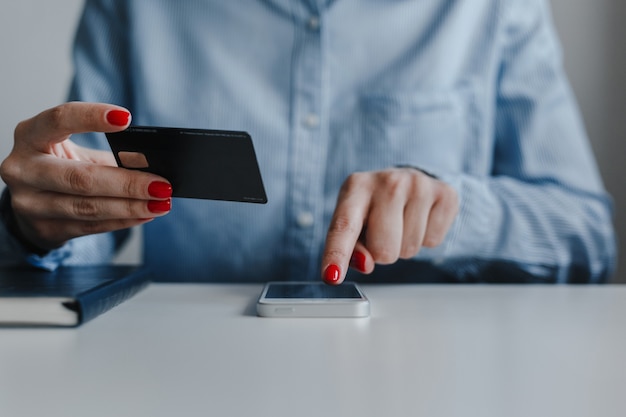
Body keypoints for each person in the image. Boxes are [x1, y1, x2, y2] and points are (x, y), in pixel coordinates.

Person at [0, 0, 616, 284]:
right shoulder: (132, 8)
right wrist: (32, 229)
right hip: (185, 382)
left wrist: (456, 208)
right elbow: (80, 212)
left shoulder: (494, 9)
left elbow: (587, 235)